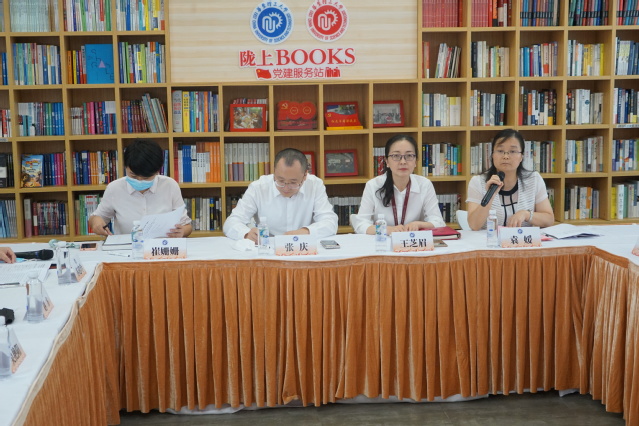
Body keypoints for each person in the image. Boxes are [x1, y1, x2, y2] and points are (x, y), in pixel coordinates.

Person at [223, 148, 338, 242]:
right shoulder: (258, 187)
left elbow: (330, 222)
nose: (286, 188)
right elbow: (231, 222)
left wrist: (304, 232)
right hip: (269, 249)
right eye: (281, 181)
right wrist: (246, 234)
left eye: (293, 182)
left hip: (303, 247)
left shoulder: (315, 185)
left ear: (305, 175)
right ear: (274, 172)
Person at [89, 139, 192, 237]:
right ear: (126, 167)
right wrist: (96, 222)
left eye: (146, 177)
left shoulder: (170, 185)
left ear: (157, 171)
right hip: (127, 246)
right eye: (133, 176)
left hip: (162, 246)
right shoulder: (114, 188)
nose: (139, 180)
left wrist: (182, 231)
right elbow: (96, 218)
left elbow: (187, 226)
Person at [351, 134, 446, 234]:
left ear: (415, 161)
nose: (403, 162)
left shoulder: (425, 185)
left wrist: (419, 224)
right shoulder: (373, 185)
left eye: (409, 156)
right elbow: (361, 225)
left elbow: (439, 222)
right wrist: (387, 230)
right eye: (396, 156)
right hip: (383, 240)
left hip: (413, 241)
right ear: (387, 161)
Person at [466, 129, 554, 230]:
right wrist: (490, 195)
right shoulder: (477, 182)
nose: (506, 156)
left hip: (521, 239)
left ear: (521, 156)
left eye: (512, 151)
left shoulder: (534, 179)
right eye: (500, 151)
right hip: (489, 239)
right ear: (492, 155)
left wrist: (526, 214)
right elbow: (474, 225)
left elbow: (549, 220)